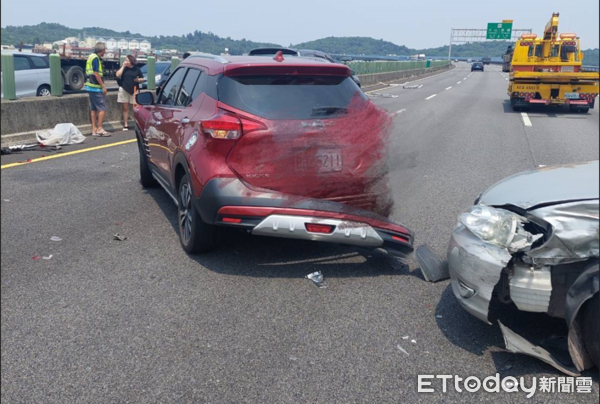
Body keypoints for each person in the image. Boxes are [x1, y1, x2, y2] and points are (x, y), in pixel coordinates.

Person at [85, 42, 110, 136]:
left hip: (90, 86)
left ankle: (94, 129)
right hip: (95, 87)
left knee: (94, 109)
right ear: (102, 50)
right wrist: (103, 86)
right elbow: (96, 73)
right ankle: (99, 128)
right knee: (102, 108)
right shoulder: (96, 58)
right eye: (105, 50)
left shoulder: (91, 56)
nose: (105, 51)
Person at [116, 55, 145, 131]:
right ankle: (126, 124)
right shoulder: (124, 68)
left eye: (127, 60)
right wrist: (123, 66)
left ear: (131, 61)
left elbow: (143, 78)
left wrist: (138, 80)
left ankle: (137, 123)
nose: (125, 61)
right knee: (125, 108)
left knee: (135, 108)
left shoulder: (137, 69)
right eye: (125, 60)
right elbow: (118, 75)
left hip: (134, 90)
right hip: (124, 88)